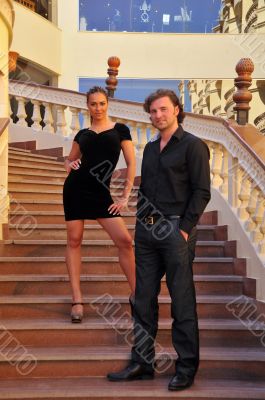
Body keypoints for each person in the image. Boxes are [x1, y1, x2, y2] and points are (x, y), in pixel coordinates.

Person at [107, 89, 211, 391]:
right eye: (152, 111)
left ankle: (186, 368)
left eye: (163, 109)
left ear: (177, 110)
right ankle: (142, 362)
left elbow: (202, 191)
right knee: (142, 300)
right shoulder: (151, 149)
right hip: (148, 232)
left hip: (176, 230)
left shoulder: (193, 146)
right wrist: (142, 223)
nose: (157, 116)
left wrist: (185, 228)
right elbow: (147, 192)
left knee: (182, 302)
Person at [63, 86, 136, 323]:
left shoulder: (120, 130)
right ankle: (77, 300)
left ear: (107, 104)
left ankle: (138, 296)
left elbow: (131, 164)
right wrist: (69, 164)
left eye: (102, 103)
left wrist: (124, 196)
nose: (98, 108)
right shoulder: (82, 134)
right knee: (74, 241)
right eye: (93, 104)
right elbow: (70, 159)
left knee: (125, 241)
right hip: (76, 189)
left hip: (101, 193)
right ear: (88, 106)